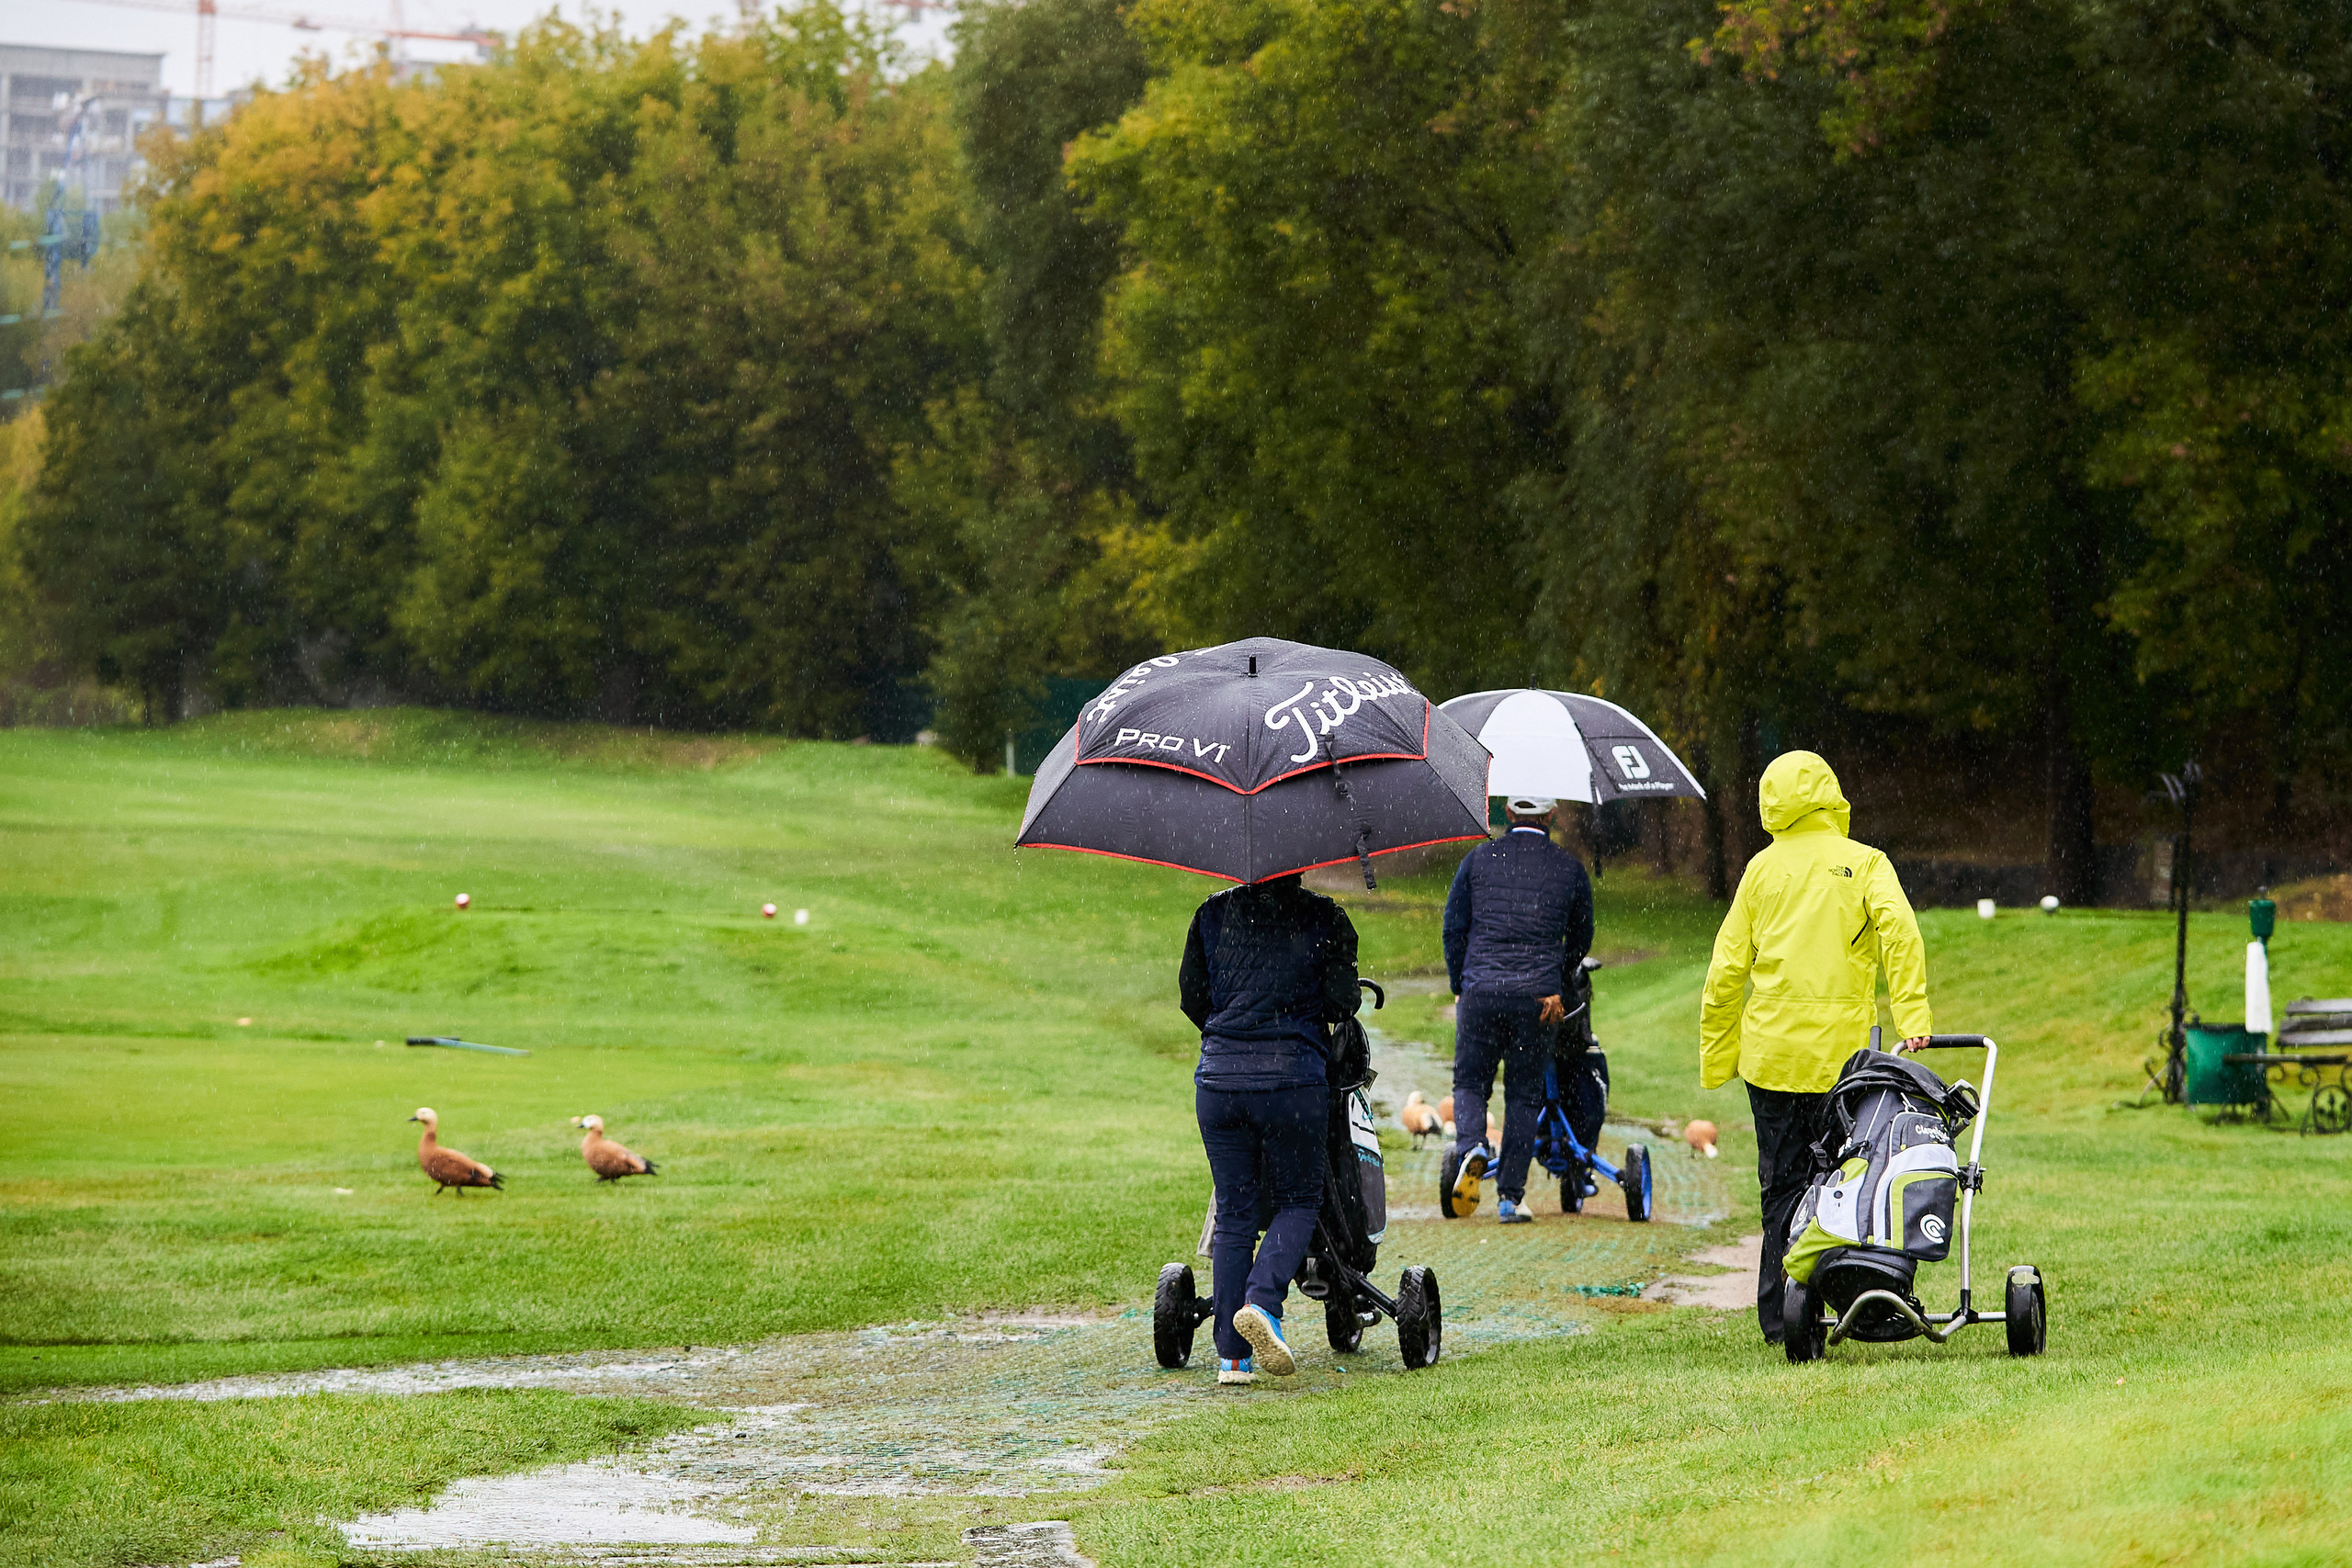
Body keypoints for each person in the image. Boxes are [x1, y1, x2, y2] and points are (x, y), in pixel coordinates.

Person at [1700, 750, 1932, 1345]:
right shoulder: (1864, 863)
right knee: (1850, 1176)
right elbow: (1900, 933)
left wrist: (1719, 1054)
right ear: (1830, 793)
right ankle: (1853, 1297)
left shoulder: (1759, 870)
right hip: (1843, 1059)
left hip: (1771, 1055)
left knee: (1781, 1183)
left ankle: (1781, 1318)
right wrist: (1912, 1014)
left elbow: (1726, 969)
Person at [1180, 872, 1360, 1385]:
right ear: (1301, 863)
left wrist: (1233, 1035)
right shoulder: (1326, 918)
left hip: (1218, 1085)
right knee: (1298, 1201)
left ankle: (1233, 1360)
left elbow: (1194, 997)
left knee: (1236, 1213)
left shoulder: (1209, 915)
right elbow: (1341, 1004)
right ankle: (1263, 1302)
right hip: (1292, 1082)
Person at [1441, 795, 1594, 1222]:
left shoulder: (1477, 858)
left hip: (1480, 991)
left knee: (1470, 1083)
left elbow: (1454, 928)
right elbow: (1582, 937)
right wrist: (1557, 977)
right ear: (1551, 815)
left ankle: (1472, 1143)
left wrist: (1461, 983)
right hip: (1538, 1000)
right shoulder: (1569, 868)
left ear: (1508, 812)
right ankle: (1510, 1197)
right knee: (1524, 1096)